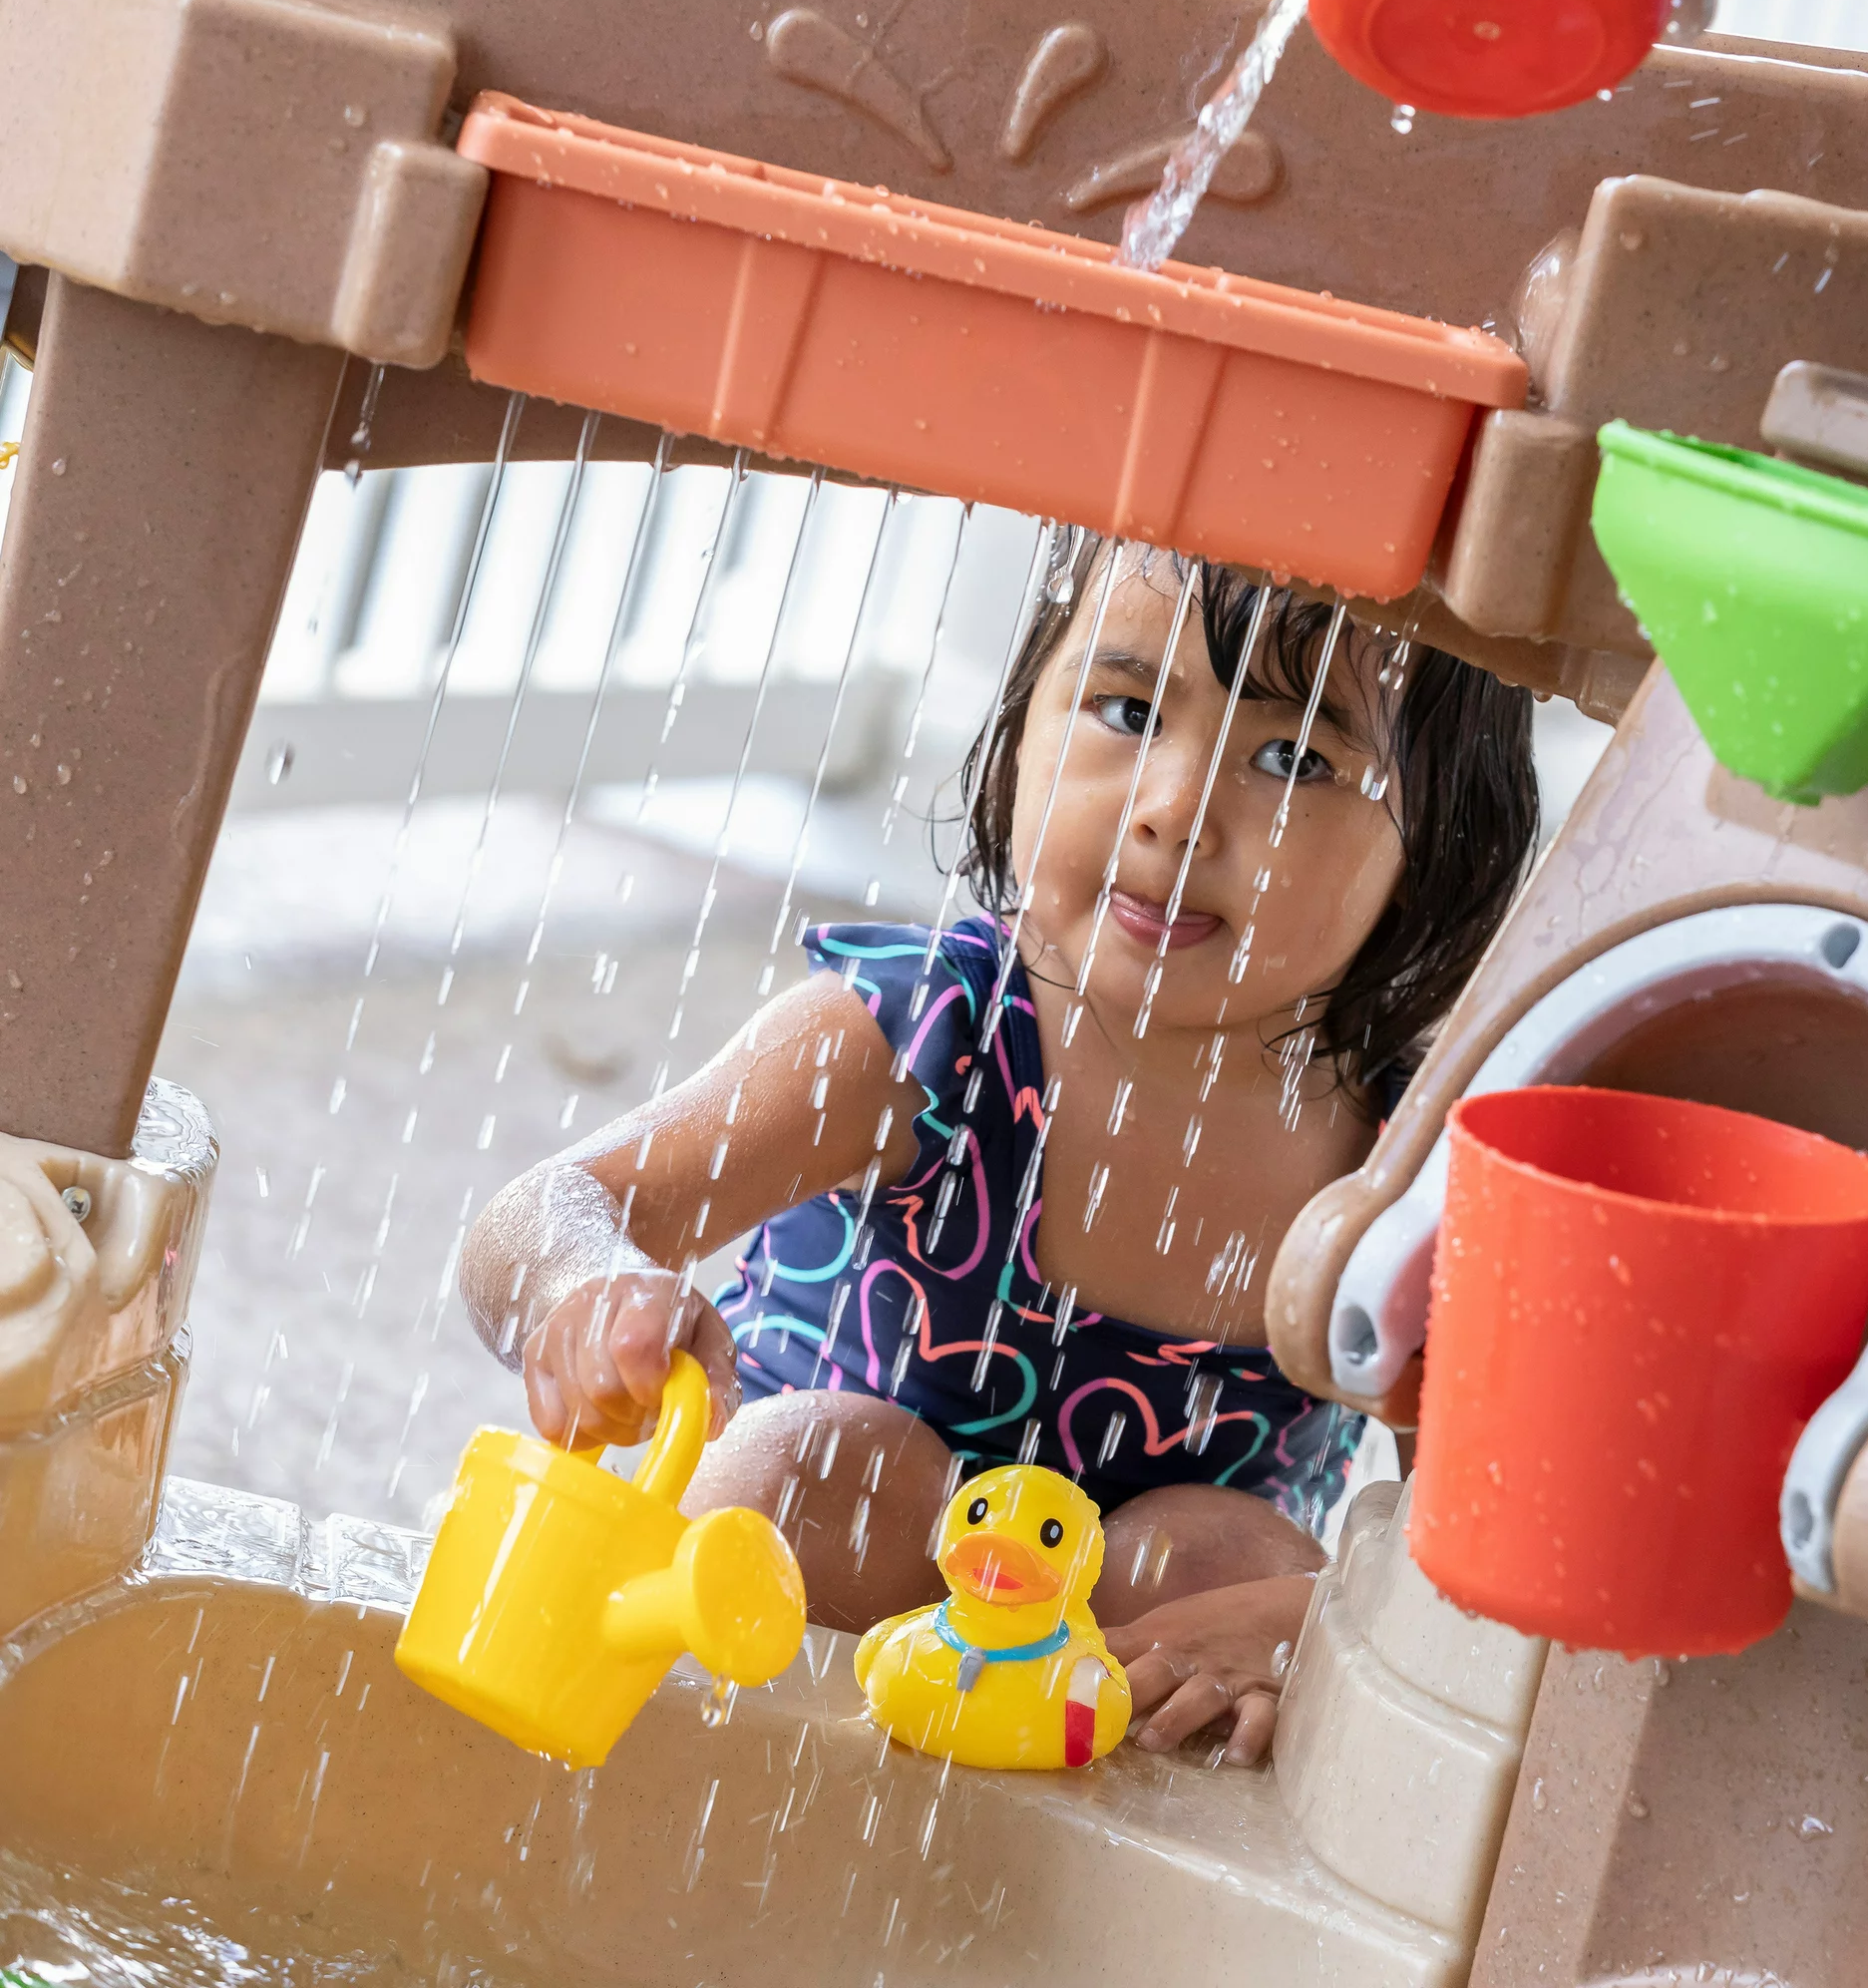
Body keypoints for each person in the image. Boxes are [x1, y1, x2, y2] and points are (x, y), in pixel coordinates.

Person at [462, 528, 1538, 1766]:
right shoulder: (920, 1037)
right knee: (828, 1466)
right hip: (779, 1624)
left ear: (1436, 850)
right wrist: (580, 1287)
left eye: (1293, 759)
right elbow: (545, 1205)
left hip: (1116, 1700)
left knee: (1225, 1558)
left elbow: (1490, 1542)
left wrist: (1305, 1619)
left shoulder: (1396, 1186)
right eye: (1127, 709)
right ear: (1022, 722)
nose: (1175, 811)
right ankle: (703, 1806)